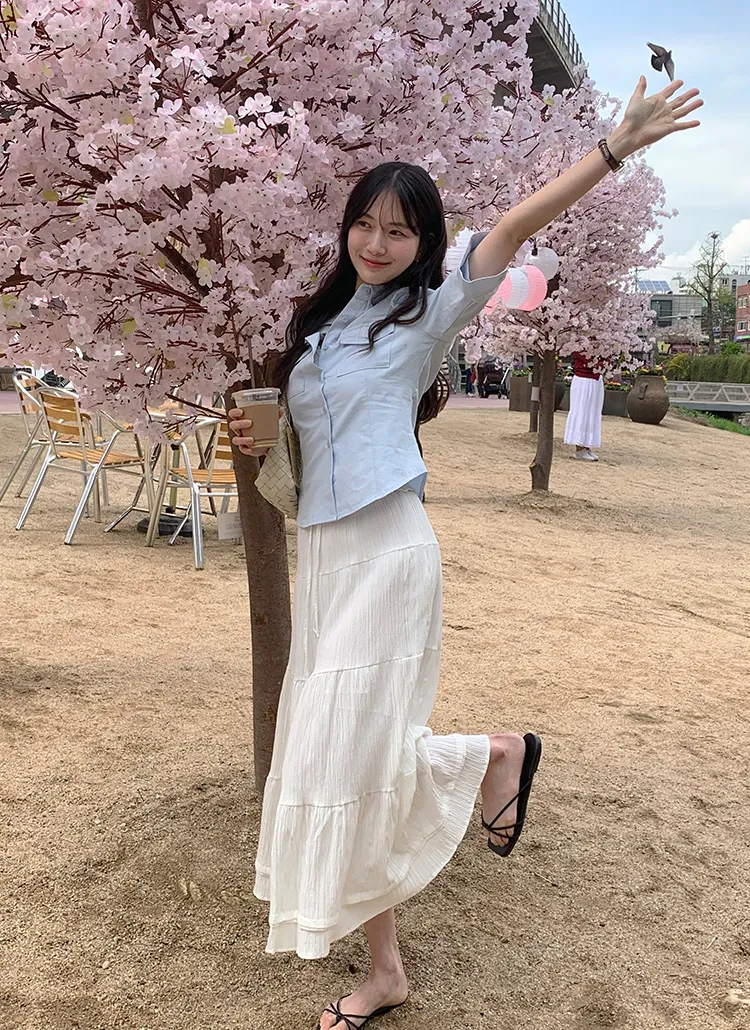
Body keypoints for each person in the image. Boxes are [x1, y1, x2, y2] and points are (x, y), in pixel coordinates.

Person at [228, 76, 701, 1029]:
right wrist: (260, 438)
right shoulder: (317, 326)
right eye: (366, 224)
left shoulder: (428, 312)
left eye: (399, 231)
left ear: (424, 243)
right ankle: (392, 962)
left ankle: (495, 758)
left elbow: (513, 229)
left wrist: (615, 149)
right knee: (339, 758)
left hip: (388, 550)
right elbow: (305, 440)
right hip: (323, 556)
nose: (377, 243)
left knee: (361, 749)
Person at [564, 350, 605, 461]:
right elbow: (585, 359)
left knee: (592, 412)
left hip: (596, 379)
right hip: (583, 379)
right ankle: (580, 447)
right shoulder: (580, 344)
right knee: (582, 410)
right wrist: (599, 363)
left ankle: (587, 446)